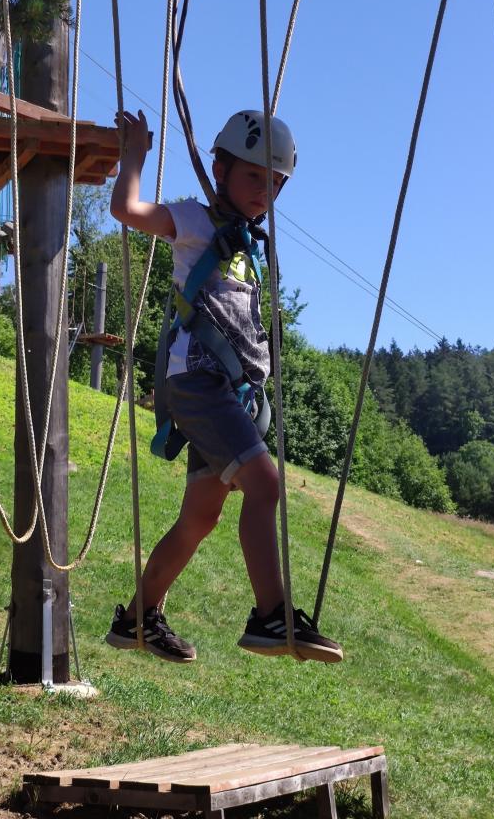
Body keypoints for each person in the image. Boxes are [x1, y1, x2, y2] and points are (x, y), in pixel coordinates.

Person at [105, 107, 343, 665]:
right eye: (254, 176)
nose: (265, 191)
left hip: (227, 392)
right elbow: (126, 210)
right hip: (199, 382)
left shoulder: (249, 243)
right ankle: (271, 616)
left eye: (275, 183)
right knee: (265, 487)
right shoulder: (195, 219)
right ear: (220, 169)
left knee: (200, 517)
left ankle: (138, 618)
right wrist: (134, 157)